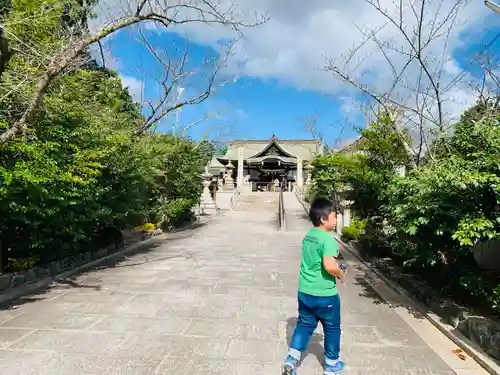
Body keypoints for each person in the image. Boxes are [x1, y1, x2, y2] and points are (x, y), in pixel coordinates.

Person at [283, 197, 346, 375]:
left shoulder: (309, 236)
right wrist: (341, 274)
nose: (336, 221)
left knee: (304, 325)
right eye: (334, 217)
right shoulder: (328, 240)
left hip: (305, 291)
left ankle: (291, 360)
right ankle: (332, 364)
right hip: (325, 294)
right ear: (324, 219)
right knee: (332, 328)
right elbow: (329, 266)